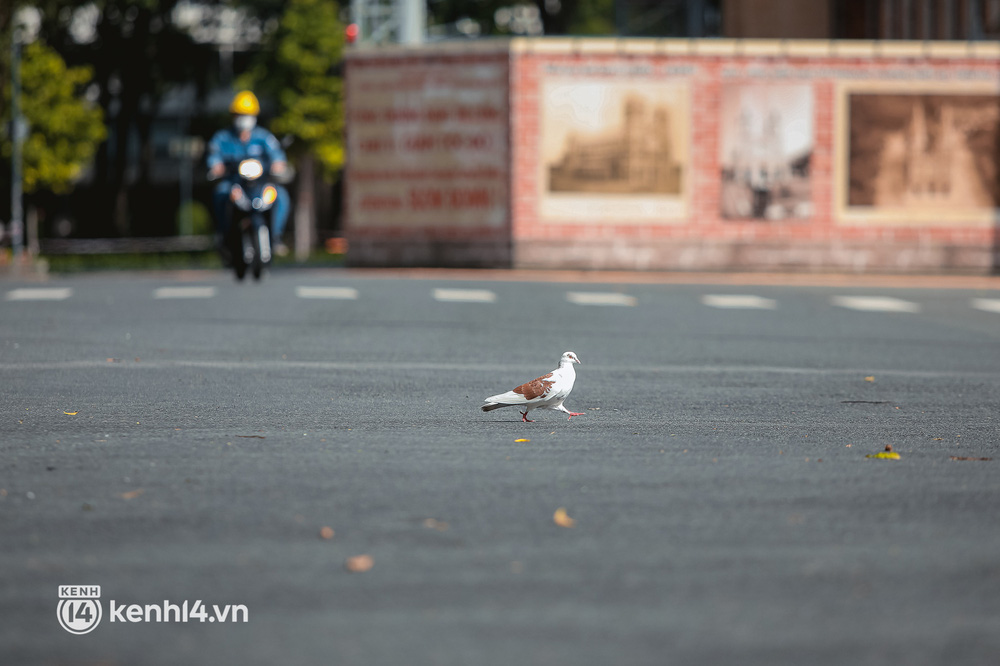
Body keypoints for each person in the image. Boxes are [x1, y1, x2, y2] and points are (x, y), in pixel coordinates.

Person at [207, 90, 291, 257]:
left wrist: (278, 165)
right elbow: (214, 156)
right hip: (234, 184)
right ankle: (223, 236)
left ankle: (276, 236)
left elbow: (277, 157)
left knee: (280, 195)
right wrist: (216, 167)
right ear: (233, 116)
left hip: (259, 184)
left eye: (248, 114)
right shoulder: (222, 138)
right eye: (240, 114)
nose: (244, 118)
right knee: (220, 193)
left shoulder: (263, 137)